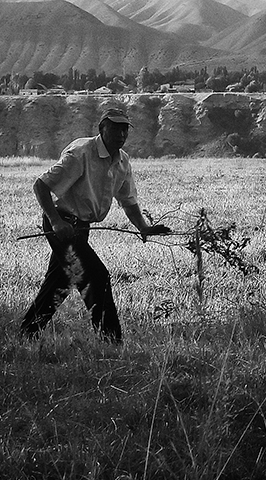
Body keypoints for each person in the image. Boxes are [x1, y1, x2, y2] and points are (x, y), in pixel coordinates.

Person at [19, 104, 169, 342]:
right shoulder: (82, 153)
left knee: (60, 284)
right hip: (63, 226)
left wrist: (144, 228)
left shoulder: (122, 161)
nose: (121, 135)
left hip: (81, 227)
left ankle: (27, 333)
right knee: (96, 276)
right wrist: (56, 222)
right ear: (102, 128)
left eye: (125, 130)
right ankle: (111, 340)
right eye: (115, 129)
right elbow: (41, 185)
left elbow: (128, 201)